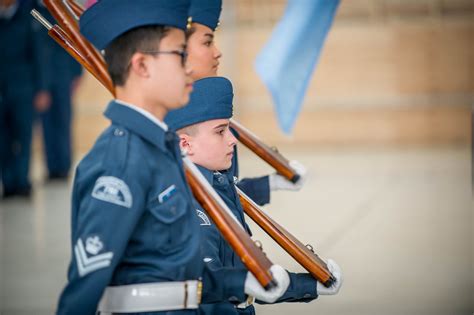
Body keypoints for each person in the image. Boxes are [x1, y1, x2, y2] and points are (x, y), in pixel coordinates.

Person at [56, 1, 289, 314]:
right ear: (141, 66)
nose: (189, 66)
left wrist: (242, 282)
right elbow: (83, 293)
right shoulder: (121, 161)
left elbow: (184, 272)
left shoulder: (161, 149)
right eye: (180, 54)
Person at [165, 76, 343, 315]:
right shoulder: (190, 205)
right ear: (185, 144)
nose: (232, 140)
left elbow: (247, 277)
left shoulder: (217, 186)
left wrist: (310, 285)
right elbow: (211, 293)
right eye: (221, 131)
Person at [185, 0, 307, 207]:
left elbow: (221, 193)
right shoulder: (170, 122)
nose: (217, 52)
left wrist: (269, 184)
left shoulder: (207, 110)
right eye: (207, 42)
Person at [34, 2, 83, 180]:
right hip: (43, 77)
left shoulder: (64, 10)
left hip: (63, 74)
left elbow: (75, 41)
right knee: (46, 123)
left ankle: (64, 166)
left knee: (63, 120)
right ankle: (52, 167)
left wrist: (77, 72)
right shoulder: (32, 9)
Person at [0, 0, 42, 198]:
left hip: (24, 90)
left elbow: (39, 56)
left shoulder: (28, 16)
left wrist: (41, 89)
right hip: (2, 90)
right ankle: (8, 184)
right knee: (3, 139)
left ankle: (22, 182)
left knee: (24, 137)